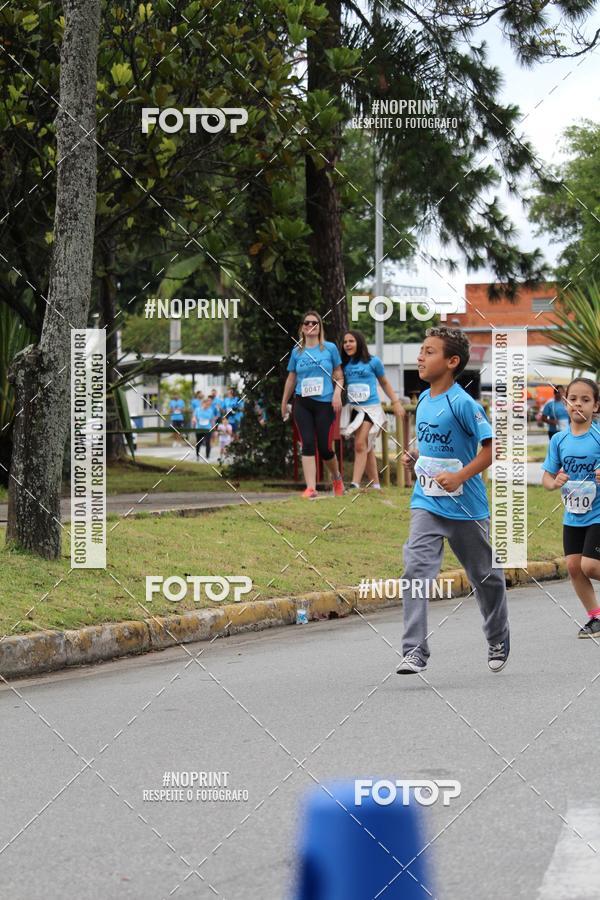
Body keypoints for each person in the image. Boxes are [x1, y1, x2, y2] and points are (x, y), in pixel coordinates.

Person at [397, 326, 510, 674]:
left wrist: (460, 476)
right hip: (427, 503)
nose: (420, 357)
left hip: (466, 507)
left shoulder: (463, 403)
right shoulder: (423, 400)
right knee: (415, 570)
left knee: (486, 577)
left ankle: (497, 637)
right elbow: (432, 446)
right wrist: (415, 457)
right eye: (421, 350)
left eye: (429, 351)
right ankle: (414, 650)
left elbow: (491, 449)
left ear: (452, 362)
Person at [541, 378, 600, 638]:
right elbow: (547, 477)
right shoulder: (559, 440)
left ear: (595, 406)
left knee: (590, 566)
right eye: (573, 398)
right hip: (573, 515)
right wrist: (554, 482)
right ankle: (596, 617)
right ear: (565, 403)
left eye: (585, 400)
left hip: (598, 514)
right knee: (574, 568)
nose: (578, 404)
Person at [281, 310, 345, 499]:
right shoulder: (297, 352)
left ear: (319, 327)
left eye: (314, 323)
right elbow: (291, 378)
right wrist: (284, 402)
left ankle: (336, 477)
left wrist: (337, 394)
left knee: (325, 448)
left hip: (325, 403)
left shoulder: (330, 348)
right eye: (307, 323)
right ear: (302, 328)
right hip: (302, 403)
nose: (311, 326)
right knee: (307, 443)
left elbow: (339, 375)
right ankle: (311, 488)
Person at [340, 330, 406, 491]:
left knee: (360, 444)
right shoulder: (344, 364)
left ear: (359, 342)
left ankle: (355, 484)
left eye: (351, 341)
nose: (347, 344)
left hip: (371, 409)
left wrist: (396, 402)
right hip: (354, 409)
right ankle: (376, 485)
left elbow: (384, 382)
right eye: (345, 342)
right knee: (366, 447)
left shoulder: (373, 362)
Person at [192, 396, 216, 461]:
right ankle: (197, 456)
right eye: (206, 404)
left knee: (208, 442)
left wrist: (214, 428)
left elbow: (212, 420)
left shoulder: (210, 410)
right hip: (199, 429)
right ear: (202, 403)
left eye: (208, 404)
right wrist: (194, 420)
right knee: (198, 443)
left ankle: (207, 456)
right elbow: (194, 417)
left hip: (207, 428)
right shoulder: (197, 410)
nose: (207, 405)